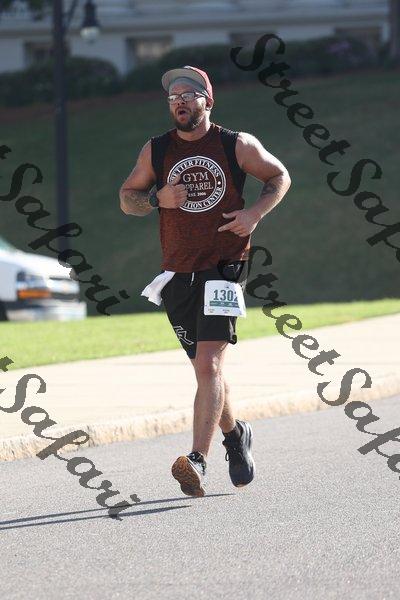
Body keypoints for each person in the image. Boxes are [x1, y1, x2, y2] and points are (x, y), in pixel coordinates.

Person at [119, 65, 291, 498]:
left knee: (209, 364)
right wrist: (156, 198)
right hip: (177, 270)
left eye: (189, 94)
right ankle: (235, 434)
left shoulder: (236, 144)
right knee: (204, 367)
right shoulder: (157, 150)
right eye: (173, 96)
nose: (179, 101)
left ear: (207, 101)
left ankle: (198, 459)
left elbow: (279, 176)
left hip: (225, 267)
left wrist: (254, 214)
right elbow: (127, 198)